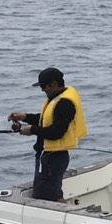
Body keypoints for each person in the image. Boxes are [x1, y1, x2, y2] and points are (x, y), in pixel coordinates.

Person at [8, 67, 87, 201]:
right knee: (52, 192)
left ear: (54, 84)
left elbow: (56, 132)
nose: (42, 90)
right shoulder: (57, 98)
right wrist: (25, 117)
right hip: (50, 156)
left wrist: (31, 130)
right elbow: (46, 119)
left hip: (55, 157)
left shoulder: (65, 103)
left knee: (47, 196)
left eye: (44, 86)